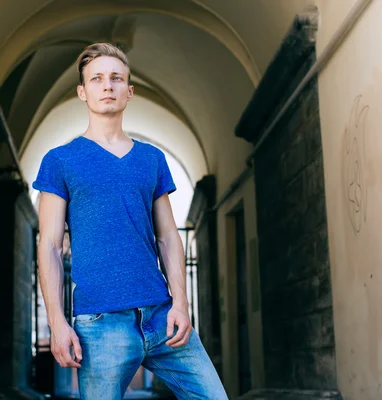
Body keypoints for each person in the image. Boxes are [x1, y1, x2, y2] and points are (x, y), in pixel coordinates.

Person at [32, 43, 228, 400]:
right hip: (100, 324)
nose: (107, 85)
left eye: (116, 78)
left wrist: (181, 305)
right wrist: (57, 323)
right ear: (83, 91)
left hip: (162, 316)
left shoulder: (152, 159)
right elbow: (48, 244)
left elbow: (169, 237)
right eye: (97, 79)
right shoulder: (60, 160)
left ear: (129, 91)